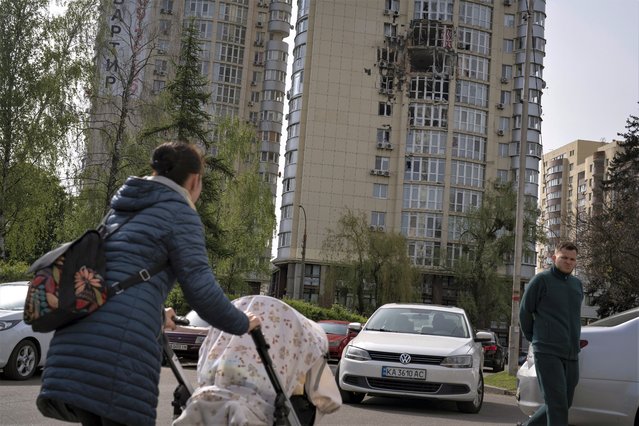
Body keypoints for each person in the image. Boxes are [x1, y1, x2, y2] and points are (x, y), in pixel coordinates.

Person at [36, 141, 260, 426]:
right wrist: (243, 322)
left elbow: (115, 280)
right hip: (118, 353)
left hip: (76, 341)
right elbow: (202, 292)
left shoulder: (121, 209)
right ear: (194, 180)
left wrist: (155, 313)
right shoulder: (180, 214)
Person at [173, 295, 341, 426]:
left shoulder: (224, 365)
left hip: (210, 405)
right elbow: (328, 401)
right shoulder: (288, 353)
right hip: (266, 412)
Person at [518, 241, 583, 426]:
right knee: (557, 405)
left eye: (572, 259)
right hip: (547, 351)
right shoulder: (541, 280)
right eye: (564, 258)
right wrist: (536, 338)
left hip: (571, 353)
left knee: (563, 403)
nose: (568, 262)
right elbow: (525, 312)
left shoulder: (577, 285)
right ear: (554, 258)